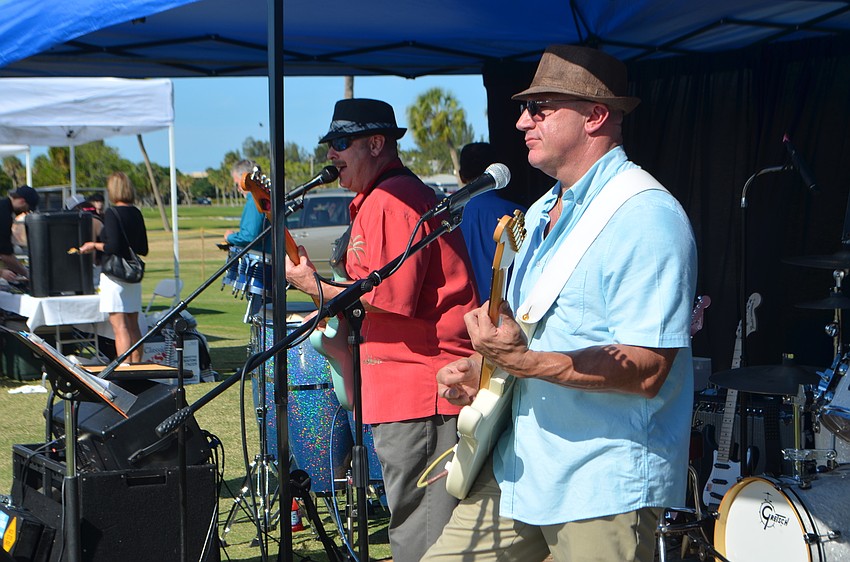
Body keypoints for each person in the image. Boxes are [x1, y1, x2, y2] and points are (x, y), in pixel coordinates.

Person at [422, 45, 698, 562]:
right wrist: (481, 365)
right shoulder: (543, 209)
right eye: (527, 108)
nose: (524, 120)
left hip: (601, 484)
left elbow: (648, 369)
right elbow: (539, 332)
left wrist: (523, 362)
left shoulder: (646, 216)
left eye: (542, 108)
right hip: (518, 465)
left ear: (595, 116)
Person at [284, 98, 479, 562]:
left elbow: (389, 298)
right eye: (330, 144)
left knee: (421, 531)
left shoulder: (392, 201)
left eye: (341, 143)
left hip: (423, 390)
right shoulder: (383, 198)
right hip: (410, 389)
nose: (332, 154)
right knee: (415, 522)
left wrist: (316, 288)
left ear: (377, 143)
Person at [79, 172, 148, 363]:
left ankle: (125, 366)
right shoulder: (136, 212)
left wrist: (94, 245)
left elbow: (113, 246)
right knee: (134, 325)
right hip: (132, 276)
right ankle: (137, 365)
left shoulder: (112, 213)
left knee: (120, 326)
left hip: (114, 276)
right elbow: (143, 248)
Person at [457, 142, 526, 303]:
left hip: (466, 317)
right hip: (510, 313)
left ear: (461, 176)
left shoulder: (447, 219)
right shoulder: (521, 215)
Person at [223, 159, 271, 253]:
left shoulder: (254, 201)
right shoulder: (268, 197)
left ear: (245, 179)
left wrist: (230, 237)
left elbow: (249, 236)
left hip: (260, 261)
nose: (238, 189)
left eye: (238, 184)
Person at [0, 185, 39, 282]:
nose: (25, 212)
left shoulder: (3, 207)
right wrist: (26, 273)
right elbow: (5, 254)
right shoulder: (4, 215)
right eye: (27, 208)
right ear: (22, 201)